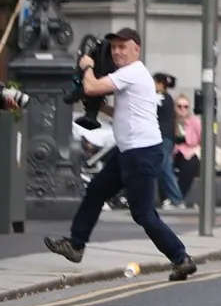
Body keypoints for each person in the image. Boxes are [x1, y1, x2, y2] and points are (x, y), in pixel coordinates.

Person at [42, 29, 197, 280]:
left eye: (122, 47)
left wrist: (88, 66)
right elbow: (123, 114)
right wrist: (98, 106)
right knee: (96, 191)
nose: (116, 52)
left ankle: (181, 258)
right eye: (114, 47)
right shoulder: (131, 77)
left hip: (141, 154)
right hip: (129, 152)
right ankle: (76, 245)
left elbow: (91, 86)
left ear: (137, 48)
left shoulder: (132, 72)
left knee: (143, 214)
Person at [152, 72, 183, 208]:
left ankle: (177, 199)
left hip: (164, 137)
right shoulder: (165, 98)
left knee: (165, 167)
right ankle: (169, 199)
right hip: (163, 137)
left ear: (160, 84)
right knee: (162, 167)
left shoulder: (162, 98)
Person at [171, 94, 202, 201]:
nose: (182, 109)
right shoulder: (171, 122)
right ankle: (168, 197)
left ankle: (177, 197)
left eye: (185, 107)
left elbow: (203, 141)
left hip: (191, 152)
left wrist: (194, 151)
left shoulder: (195, 122)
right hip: (174, 153)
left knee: (191, 164)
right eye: (179, 106)